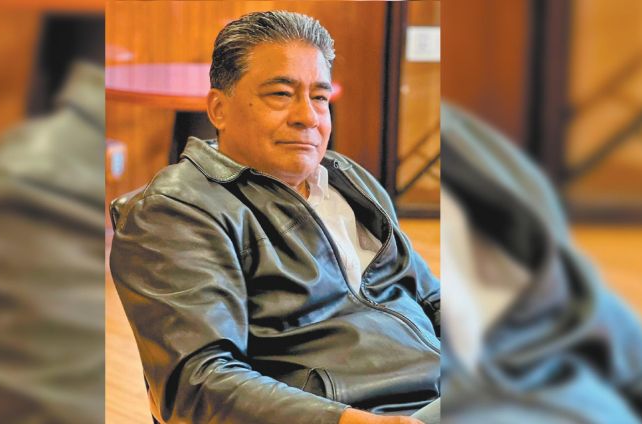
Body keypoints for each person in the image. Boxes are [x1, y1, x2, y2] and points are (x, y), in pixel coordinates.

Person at [110, 11, 440, 424]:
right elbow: (197, 385)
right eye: (282, 94)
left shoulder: (348, 179)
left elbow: (429, 296)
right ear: (218, 108)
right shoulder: (175, 211)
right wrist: (347, 422)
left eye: (319, 97)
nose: (308, 116)